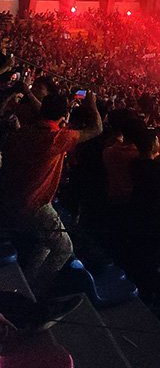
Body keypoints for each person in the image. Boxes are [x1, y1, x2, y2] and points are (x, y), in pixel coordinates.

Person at [0, 92, 102, 293]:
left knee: (45, 243)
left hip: (10, 200)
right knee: (64, 248)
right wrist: (92, 104)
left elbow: (45, 120)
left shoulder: (24, 132)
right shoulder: (56, 138)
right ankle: (36, 295)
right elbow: (97, 128)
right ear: (64, 116)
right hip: (33, 205)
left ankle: (25, 286)